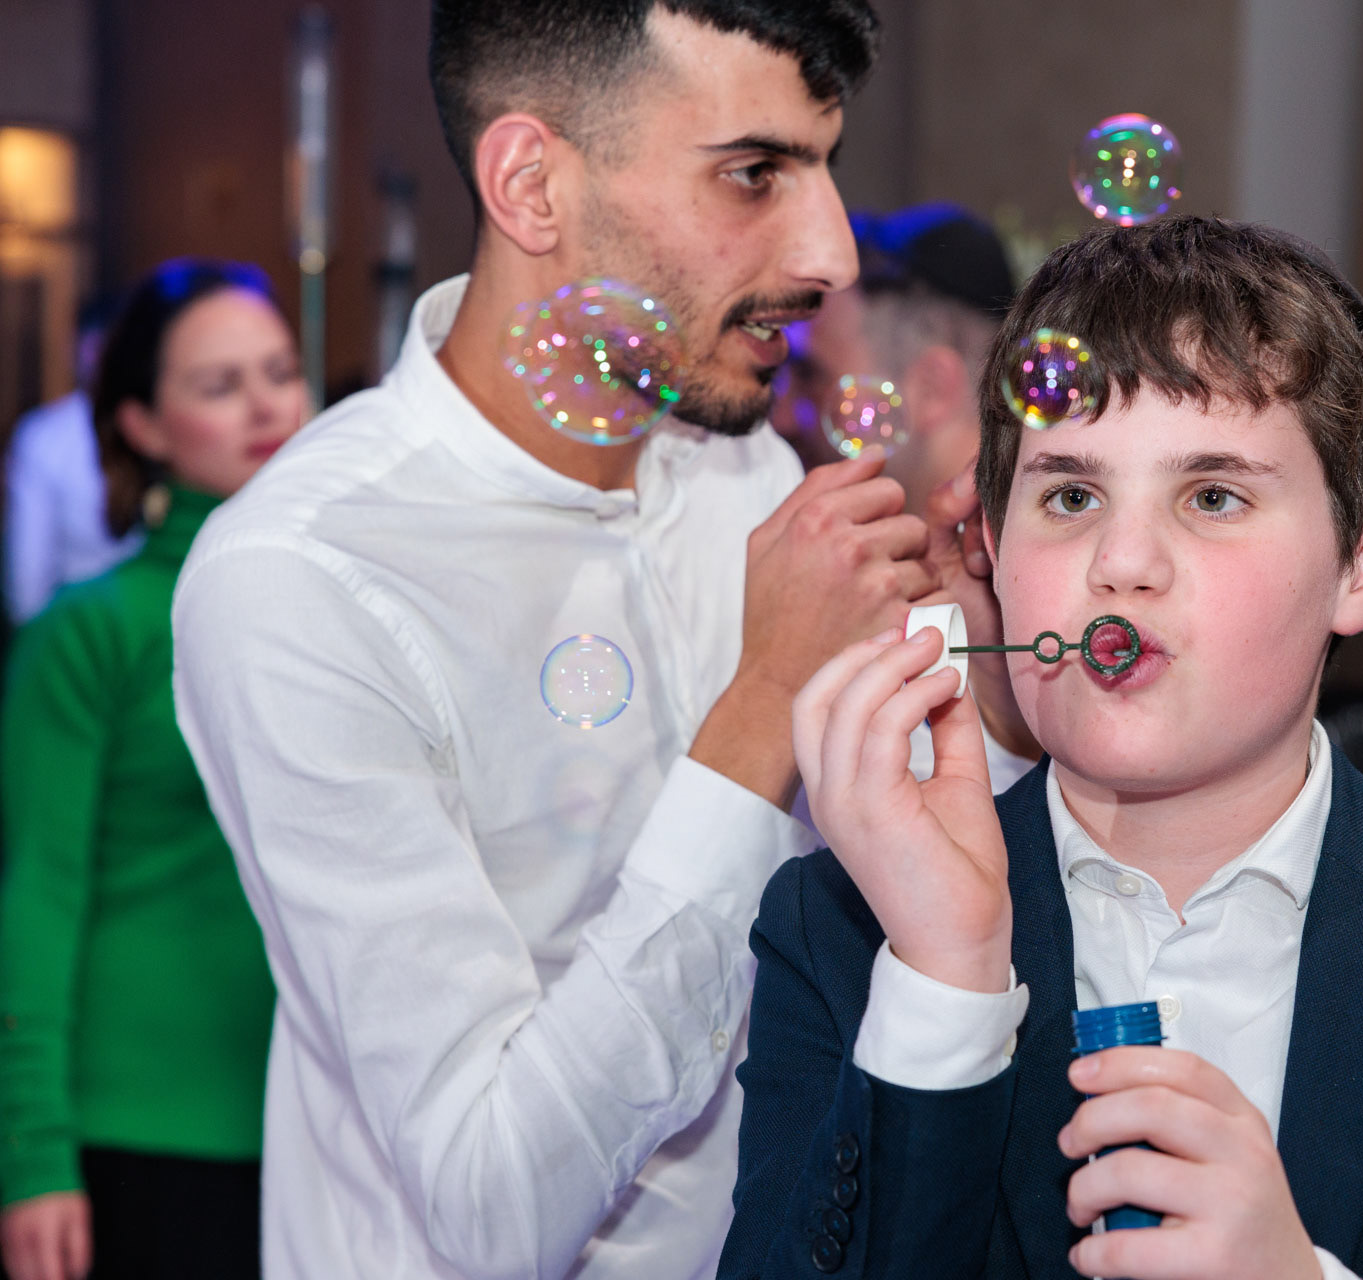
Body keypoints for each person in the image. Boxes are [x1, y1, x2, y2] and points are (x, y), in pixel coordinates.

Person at [720, 218, 1363, 1279]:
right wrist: (948, 984)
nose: (1122, 563)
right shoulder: (841, 929)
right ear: (993, 550)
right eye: (1070, 496)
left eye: (1212, 496)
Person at [170, 4, 996, 1279]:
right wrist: (766, 698)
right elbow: (494, 1203)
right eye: (754, 171)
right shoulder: (305, 577)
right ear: (531, 185)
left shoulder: (747, 474)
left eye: (825, 165)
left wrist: (963, 668)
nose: (831, 251)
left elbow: (859, 918)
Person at [0, 259, 305, 1280]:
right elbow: (37, 895)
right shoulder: (91, 629)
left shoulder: (341, 607)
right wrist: (31, 1152)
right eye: (220, 385)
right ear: (141, 423)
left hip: (324, 1116)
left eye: (280, 372)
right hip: (142, 1124)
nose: (265, 407)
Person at [775, 204, 1036, 797]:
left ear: (930, 388)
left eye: (812, 376)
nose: (785, 413)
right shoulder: (859, 563)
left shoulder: (1035, 565)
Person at [4, 296, 145, 626]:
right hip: (86, 620)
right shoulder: (45, 435)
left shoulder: (45, 435)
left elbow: (28, 577)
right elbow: (28, 573)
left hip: (84, 622)